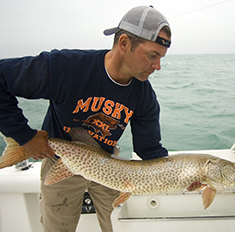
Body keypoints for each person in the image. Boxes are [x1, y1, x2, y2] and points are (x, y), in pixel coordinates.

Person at [0, 5, 171, 232]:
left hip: (109, 166)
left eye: (160, 58)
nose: (158, 66)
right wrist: (25, 137)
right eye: (152, 56)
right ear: (124, 43)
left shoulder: (144, 95)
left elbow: (149, 149)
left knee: (117, 226)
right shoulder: (65, 68)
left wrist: (183, 175)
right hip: (60, 158)